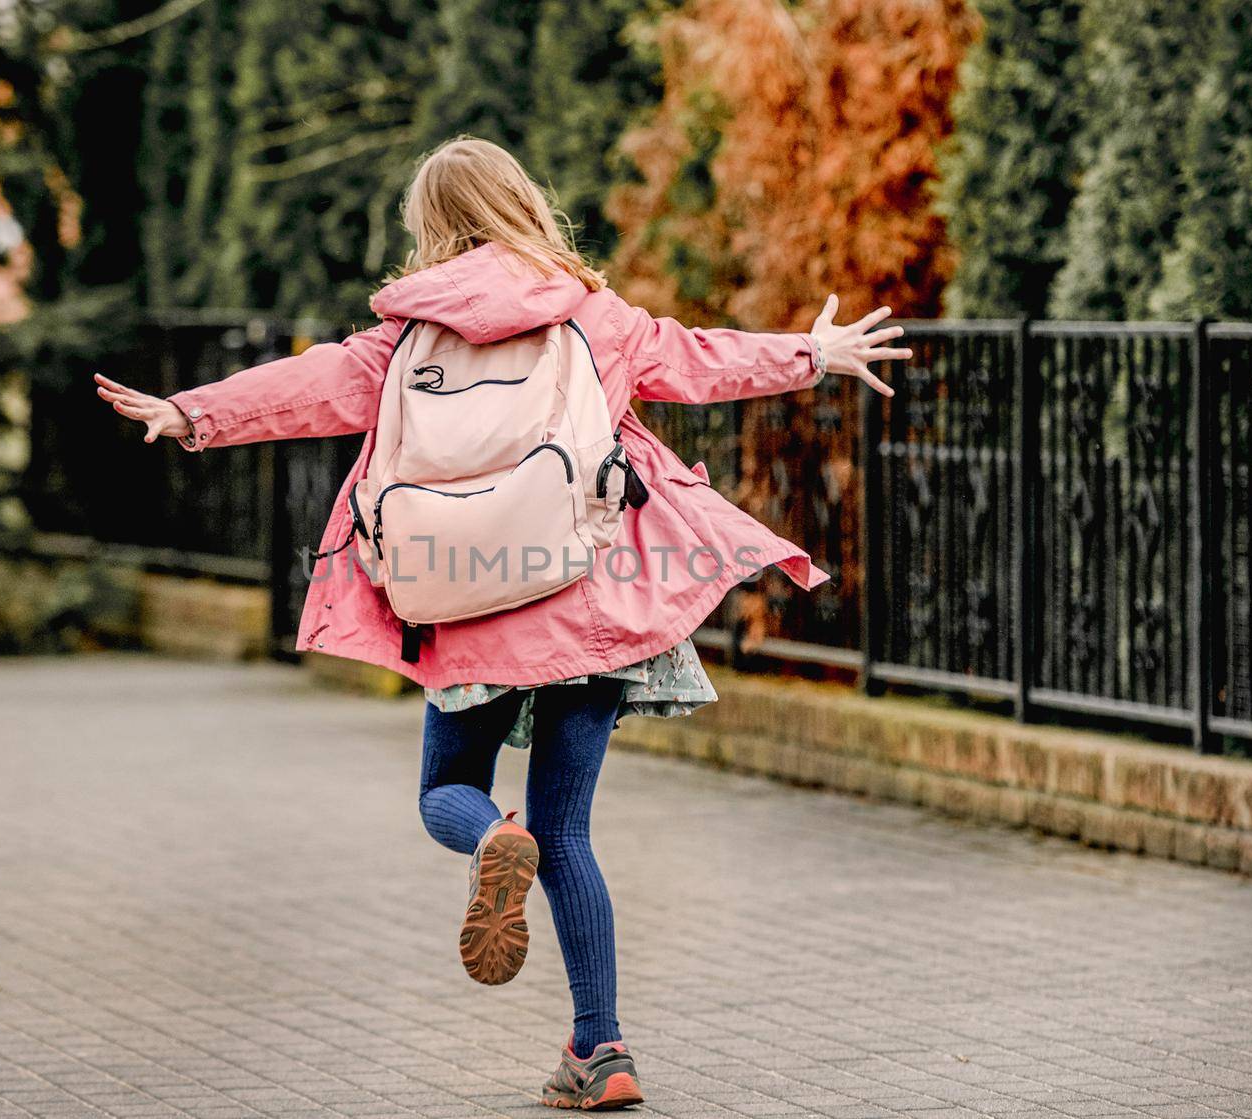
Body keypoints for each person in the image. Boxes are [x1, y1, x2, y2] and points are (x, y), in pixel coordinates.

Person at [95, 136, 906, 1111]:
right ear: (526, 205)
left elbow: (300, 390)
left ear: (428, 225)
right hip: (593, 606)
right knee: (567, 833)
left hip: (462, 601)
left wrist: (191, 414)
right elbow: (700, 361)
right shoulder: (594, 320)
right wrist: (813, 352)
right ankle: (602, 1055)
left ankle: (487, 842)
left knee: (450, 788)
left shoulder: (398, 341)